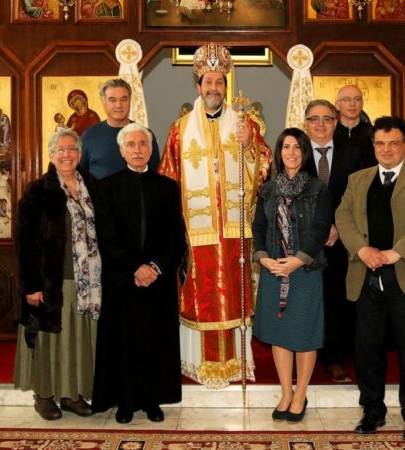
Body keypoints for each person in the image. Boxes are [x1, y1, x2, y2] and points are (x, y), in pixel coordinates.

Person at [159, 42, 272, 388]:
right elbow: (168, 178)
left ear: (225, 85)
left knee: (235, 293)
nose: (213, 88)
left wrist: (249, 144)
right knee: (201, 294)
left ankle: (236, 363)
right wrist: (174, 227)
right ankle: (200, 363)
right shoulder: (179, 128)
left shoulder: (244, 124)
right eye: (207, 82)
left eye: (219, 82)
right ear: (198, 86)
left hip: (235, 231)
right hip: (197, 231)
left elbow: (265, 169)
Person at [335, 116, 405, 443]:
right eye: (380, 144)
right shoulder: (358, 179)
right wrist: (361, 249)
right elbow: (342, 215)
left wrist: (398, 252)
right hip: (366, 276)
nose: (386, 149)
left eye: (393, 143)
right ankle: (372, 411)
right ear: (373, 146)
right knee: (367, 350)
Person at [92, 123, 187, 423]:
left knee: (155, 341)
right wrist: (135, 267)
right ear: (121, 151)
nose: (137, 150)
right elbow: (106, 237)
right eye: (131, 145)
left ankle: (152, 400)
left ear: (151, 149)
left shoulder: (168, 187)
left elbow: (176, 237)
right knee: (124, 342)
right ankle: (125, 402)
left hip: (158, 281)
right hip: (122, 280)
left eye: (143, 144)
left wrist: (155, 268)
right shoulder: (107, 187)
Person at [13, 129, 101, 421]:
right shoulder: (38, 190)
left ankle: (71, 394)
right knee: (49, 340)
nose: (66, 154)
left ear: (80, 153)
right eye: (60, 149)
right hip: (52, 281)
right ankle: (45, 395)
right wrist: (31, 285)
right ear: (51, 155)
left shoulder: (93, 186)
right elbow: (25, 241)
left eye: (72, 148)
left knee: (78, 340)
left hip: (88, 283)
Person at [252, 128, 332, 423]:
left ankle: (300, 394)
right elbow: (258, 227)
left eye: (297, 147)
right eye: (286, 147)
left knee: (304, 333)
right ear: (279, 152)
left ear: (305, 152)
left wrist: (297, 261)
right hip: (274, 268)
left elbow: (321, 229)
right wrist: (263, 258)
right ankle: (286, 393)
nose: (291, 152)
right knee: (280, 333)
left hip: (305, 270)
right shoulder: (268, 189)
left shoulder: (318, 188)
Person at [304, 99, 363, 383]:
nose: (321, 124)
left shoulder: (354, 155)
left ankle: (334, 357)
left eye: (327, 119)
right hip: (305, 241)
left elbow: (360, 198)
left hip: (342, 241)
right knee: (306, 300)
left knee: (337, 299)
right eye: (314, 119)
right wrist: (316, 229)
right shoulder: (295, 153)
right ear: (305, 124)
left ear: (336, 122)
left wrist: (338, 226)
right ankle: (303, 353)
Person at [80, 79, 160, 180]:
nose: (118, 105)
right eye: (112, 100)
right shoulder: (89, 136)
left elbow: (156, 175)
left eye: (123, 99)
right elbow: (80, 176)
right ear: (103, 102)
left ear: (130, 101)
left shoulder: (144, 134)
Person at [334, 85, 377, 168]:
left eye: (357, 99)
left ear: (362, 104)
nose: (352, 104)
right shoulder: (330, 132)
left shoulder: (373, 133)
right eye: (347, 99)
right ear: (337, 105)